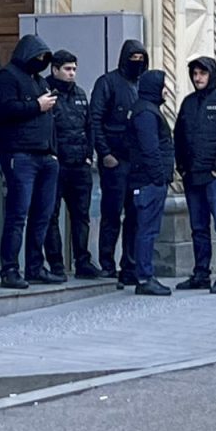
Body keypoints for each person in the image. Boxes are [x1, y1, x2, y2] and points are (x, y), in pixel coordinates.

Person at [0, 34, 62, 289]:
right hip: (19, 154)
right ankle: (10, 269)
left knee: (41, 215)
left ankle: (35, 266)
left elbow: (51, 119)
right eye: (38, 57)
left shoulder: (40, 80)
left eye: (45, 58)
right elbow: (4, 110)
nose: (41, 62)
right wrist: (36, 105)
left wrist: (53, 152)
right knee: (18, 214)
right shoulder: (6, 77)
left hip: (45, 156)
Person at [174, 57, 216, 293]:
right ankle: (201, 273)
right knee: (198, 227)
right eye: (195, 74)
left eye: (202, 73)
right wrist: (182, 167)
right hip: (193, 175)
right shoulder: (189, 102)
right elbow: (179, 136)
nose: (198, 78)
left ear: (211, 74)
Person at [91, 39, 148, 286]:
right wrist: (105, 153)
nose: (137, 62)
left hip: (136, 163)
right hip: (115, 160)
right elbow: (95, 120)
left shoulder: (143, 85)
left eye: (140, 58)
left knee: (135, 216)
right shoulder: (107, 83)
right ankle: (107, 264)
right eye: (132, 57)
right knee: (111, 214)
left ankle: (130, 265)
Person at [44, 51, 100, 279]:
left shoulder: (79, 93)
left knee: (81, 216)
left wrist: (88, 156)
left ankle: (82, 261)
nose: (72, 73)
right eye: (67, 69)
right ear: (55, 69)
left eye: (74, 69)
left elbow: (89, 126)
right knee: (51, 216)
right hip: (57, 164)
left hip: (80, 165)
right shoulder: (46, 92)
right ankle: (56, 264)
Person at [128, 70, 175, 296]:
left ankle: (144, 275)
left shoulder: (147, 110)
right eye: (163, 85)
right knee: (147, 230)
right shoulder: (146, 112)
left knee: (147, 229)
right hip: (149, 181)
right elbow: (150, 148)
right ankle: (145, 277)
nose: (166, 90)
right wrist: (159, 177)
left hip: (149, 179)